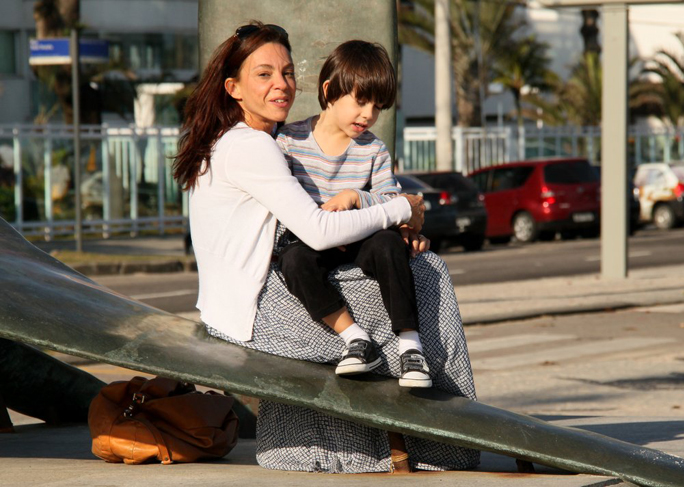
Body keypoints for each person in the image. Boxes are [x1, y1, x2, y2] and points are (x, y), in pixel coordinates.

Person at [174, 21, 479, 474]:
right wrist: (401, 210)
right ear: (233, 87)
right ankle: (440, 438)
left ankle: (391, 416)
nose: (281, 84)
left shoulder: (242, 140)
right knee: (428, 276)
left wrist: (391, 208)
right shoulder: (257, 146)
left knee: (405, 268)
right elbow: (316, 231)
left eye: (287, 72)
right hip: (256, 312)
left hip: (239, 297)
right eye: (264, 74)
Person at [276, 40, 431, 388]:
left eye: (377, 107)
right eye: (360, 101)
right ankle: (356, 338)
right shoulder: (289, 142)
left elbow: (391, 200)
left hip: (361, 241)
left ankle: (411, 346)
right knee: (293, 260)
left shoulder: (373, 149)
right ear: (330, 91)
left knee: (389, 244)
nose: (368, 115)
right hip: (311, 243)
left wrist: (356, 198)